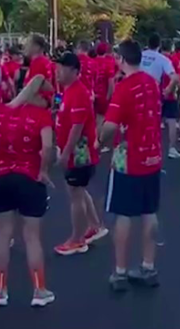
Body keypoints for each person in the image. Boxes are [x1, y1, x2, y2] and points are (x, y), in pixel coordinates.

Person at [0, 75, 56, 308]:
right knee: (32, 237)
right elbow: (47, 147)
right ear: (38, 97)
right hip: (29, 178)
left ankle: (0, 290)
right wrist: (44, 170)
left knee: (2, 236)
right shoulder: (42, 117)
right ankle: (39, 289)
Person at [98, 40, 163, 292]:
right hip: (153, 156)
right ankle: (148, 266)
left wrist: (100, 140)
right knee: (149, 212)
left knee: (123, 214)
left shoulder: (124, 88)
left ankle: (121, 272)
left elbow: (111, 126)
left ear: (121, 59)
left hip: (128, 158)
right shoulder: (151, 83)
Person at [53, 53, 108, 256]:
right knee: (78, 190)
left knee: (75, 193)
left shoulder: (78, 93)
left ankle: (77, 239)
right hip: (75, 150)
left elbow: (77, 127)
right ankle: (94, 225)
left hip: (79, 152)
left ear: (75, 71)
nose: (57, 72)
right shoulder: (68, 91)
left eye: (62, 68)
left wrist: (66, 153)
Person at [140, 34, 180, 159]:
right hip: (155, 92)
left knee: (144, 120)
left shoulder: (139, 55)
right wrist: (168, 89)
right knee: (171, 121)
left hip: (139, 91)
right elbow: (175, 77)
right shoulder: (163, 59)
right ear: (159, 45)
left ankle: (143, 146)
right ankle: (171, 149)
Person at [93, 42, 117, 128]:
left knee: (93, 119)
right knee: (101, 119)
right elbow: (111, 83)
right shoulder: (109, 63)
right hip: (103, 95)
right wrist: (110, 96)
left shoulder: (92, 62)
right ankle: (99, 139)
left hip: (92, 95)